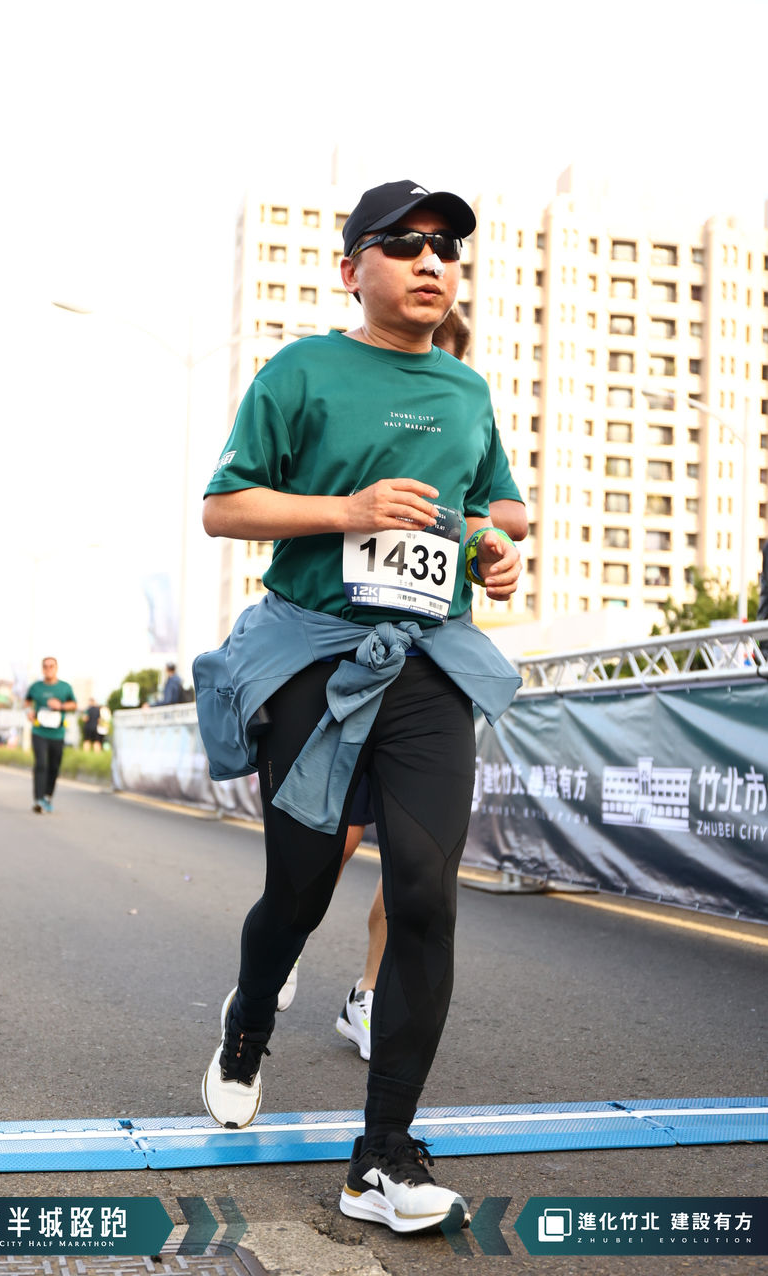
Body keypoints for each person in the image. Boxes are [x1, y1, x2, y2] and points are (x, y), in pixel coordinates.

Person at [196, 180, 523, 1235]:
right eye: (405, 242)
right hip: (316, 656)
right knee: (297, 891)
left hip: (428, 663)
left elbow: (492, 504)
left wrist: (494, 545)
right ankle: (250, 1021)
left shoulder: (466, 390)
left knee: (425, 893)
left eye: (447, 247)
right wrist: (349, 509)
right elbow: (223, 507)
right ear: (352, 268)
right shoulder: (300, 371)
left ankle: (381, 1157)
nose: (432, 261)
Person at [332, 305, 530, 1060]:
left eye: (440, 358)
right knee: (328, 845)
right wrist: (360, 501)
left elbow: (506, 511)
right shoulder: (349, 394)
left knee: (415, 862)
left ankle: (368, 996)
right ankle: (276, 957)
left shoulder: (466, 406)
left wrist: (469, 523)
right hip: (344, 656)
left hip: (432, 661)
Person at [25, 657, 77, 813]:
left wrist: (60, 705)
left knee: (54, 766)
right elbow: (27, 702)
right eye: (45, 666)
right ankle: (38, 799)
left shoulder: (65, 687)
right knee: (41, 764)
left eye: (51, 666)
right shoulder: (36, 687)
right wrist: (29, 712)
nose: (48, 669)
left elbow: (74, 705)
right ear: (42, 669)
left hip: (57, 733)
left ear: (56, 668)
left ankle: (47, 796)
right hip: (39, 731)